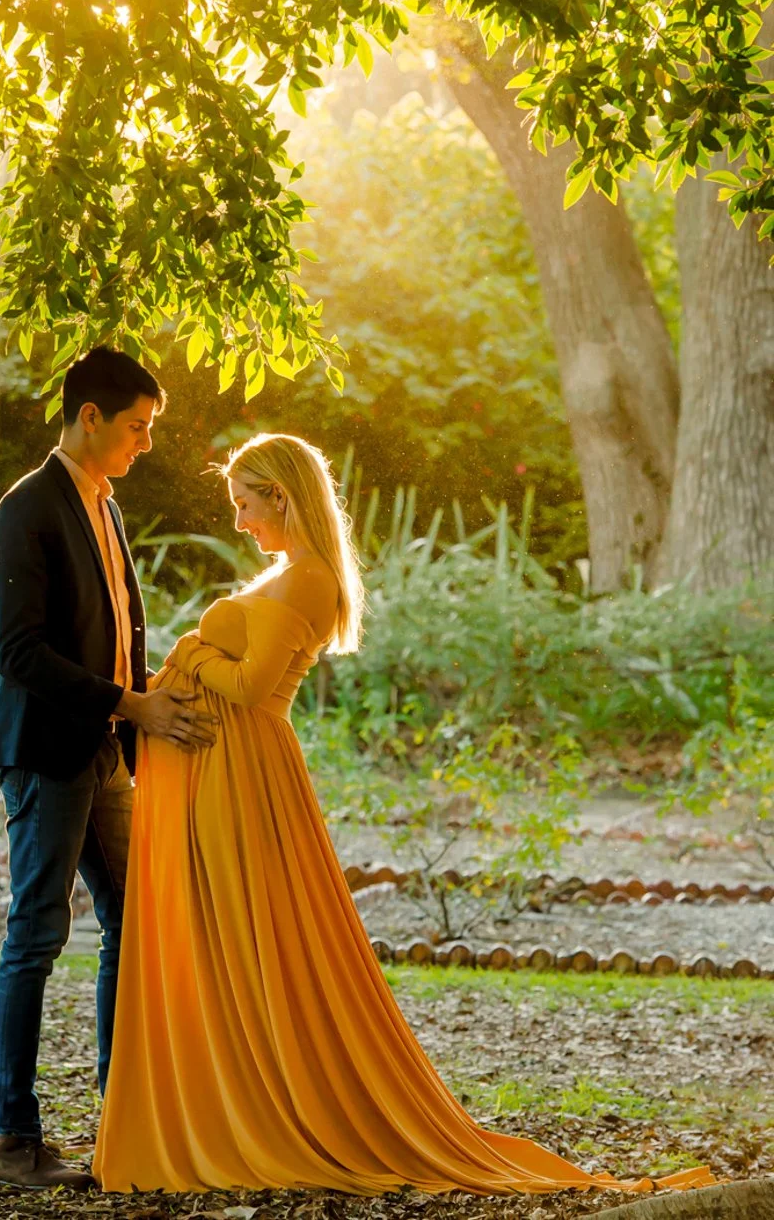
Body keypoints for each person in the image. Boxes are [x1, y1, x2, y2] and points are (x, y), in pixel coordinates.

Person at [94, 432, 713, 1197]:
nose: (241, 521)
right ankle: (228, 1089)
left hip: (245, 775)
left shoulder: (311, 580)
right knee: (220, 936)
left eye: (246, 505)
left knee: (250, 935)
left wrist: (191, 653)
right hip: (219, 770)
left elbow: (253, 688)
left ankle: (261, 1101)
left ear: (282, 496)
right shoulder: (285, 574)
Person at [0, 346, 218, 1190]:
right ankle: (16, 1141)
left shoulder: (106, 507)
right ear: (90, 418)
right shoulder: (28, 508)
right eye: (137, 427)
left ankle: (124, 1117)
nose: (146, 444)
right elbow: (21, 655)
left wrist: (161, 698)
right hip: (46, 755)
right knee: (37, 937)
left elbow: (116, 632)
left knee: (136, 919)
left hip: (106, 754)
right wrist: (133, 703)